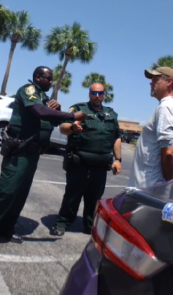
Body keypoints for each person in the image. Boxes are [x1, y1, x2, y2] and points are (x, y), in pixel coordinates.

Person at [0, 66, 86, 248]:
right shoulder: (29, 91)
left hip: (33, 153)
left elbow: (54, 120)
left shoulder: (44, 98)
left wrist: (60, 109)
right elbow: (39, 112)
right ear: (38, 77)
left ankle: (5, 228)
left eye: (51, 79)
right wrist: (72, 114)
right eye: (48, 78)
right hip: (19, 150)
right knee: (7, 191)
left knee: (20, 195)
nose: (51, 82)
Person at [53, 83, 122, 236]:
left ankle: (90, 225)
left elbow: (116, 137)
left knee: (94, 199)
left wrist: (118, 159)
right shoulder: (79, 109)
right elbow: (63, 127)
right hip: (79, 164)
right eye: (94, 93)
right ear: (89, 94)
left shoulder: (111, 114)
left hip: (101, 166)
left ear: (104, 94)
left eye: (100, 93)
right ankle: (62, 222)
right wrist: (72, 128)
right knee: (72, 196)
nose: (97, 96)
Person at [128, 67, 173, 188]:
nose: (151, 83)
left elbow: (169, 152)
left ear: (169, 82)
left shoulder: (165, 108)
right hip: (155, 186)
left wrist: (167, 184)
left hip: (148, 186)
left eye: (156, 79)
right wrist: (172, 182)